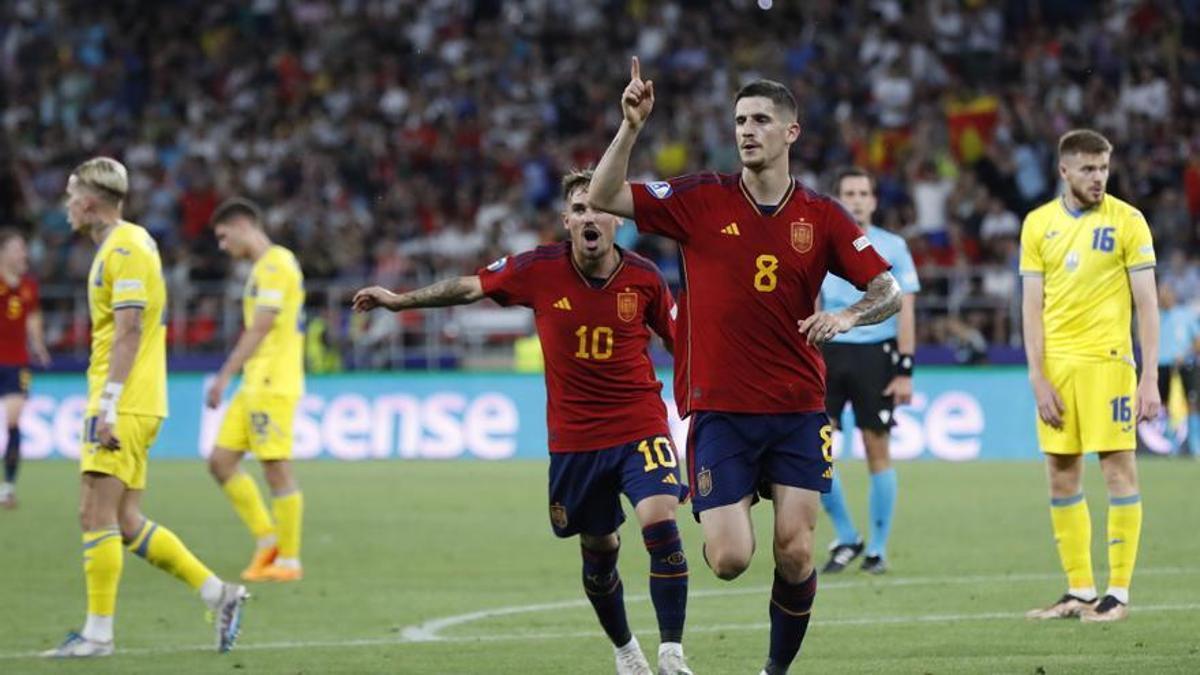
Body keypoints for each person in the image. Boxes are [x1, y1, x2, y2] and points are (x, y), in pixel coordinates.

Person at [588, 59, 900, 674]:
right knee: (730, 559)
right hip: (720, 411)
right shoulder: (698, 199)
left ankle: (774, 672)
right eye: (739, 120)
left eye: (760, 119)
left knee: (797, 550)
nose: (746, 130)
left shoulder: (823, 216)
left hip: (796, 410)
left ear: (791, 132)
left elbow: (887, 289)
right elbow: (602, 197)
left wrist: (848, 317)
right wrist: (630, 128)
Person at [353, 169, 692, 675]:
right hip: (576, 440)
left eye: (600, 207)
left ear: (618, 218)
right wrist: (402, 300)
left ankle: (672, 654)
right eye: (579, 210)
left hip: (640, 424)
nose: (590, 217)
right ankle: (627, 652)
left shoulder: (644, 278)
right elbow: (470, 287)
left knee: (659, 519)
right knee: (599, 551)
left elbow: (684, 340)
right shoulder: (537, 268)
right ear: (567, 221)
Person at [44, 157, 247, 658]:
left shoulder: (126, 247)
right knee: (127, 520)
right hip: (132, 399)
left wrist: (107, 404)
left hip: (125, 402)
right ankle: (219, 594)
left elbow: (130, 329)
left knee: (95, 512)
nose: (67, 205)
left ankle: (97, 635)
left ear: (90, 201)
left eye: (72, 195)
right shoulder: (123, 245)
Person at [1020, 129, 1159, 623]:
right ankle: (1080, 589)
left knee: (1118, 471)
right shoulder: (1038, 225)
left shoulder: (1128, 221)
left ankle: (1117, 594)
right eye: (1087, 169)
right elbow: (1031, 308)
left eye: (1103, 168)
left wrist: (1149, 377)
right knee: (1061, 476)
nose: (1098, 178)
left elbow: (1147, 304)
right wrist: (1037, 375)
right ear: (1064, 170)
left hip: (1109, 363)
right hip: (1057, 368)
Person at [817, 168, 920, 575]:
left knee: (878, 451)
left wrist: (906, 368)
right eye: (849, 193)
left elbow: (906, 308)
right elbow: (812, 300)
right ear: (839, 198)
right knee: (815, 452)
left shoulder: (894, 246)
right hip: (829, 351)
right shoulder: (824, 243)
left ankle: (876, 548)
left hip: (876, 355)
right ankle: (846, 535)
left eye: (863, 192)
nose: (857, 199)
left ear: (874, 200)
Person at [205, 197, 306, 583]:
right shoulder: (262, 267)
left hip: (272, 382)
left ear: (243, 225)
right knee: (221, 462)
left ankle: (290, 560)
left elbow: (262, 326)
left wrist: (223, 375)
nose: (222, 244)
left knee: (276, 469)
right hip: (255, 382)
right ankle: (268, 542)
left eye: (223, 235)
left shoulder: (277, 263)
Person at [0, 229, 51, 508]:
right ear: (3, 252)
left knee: (13, 422)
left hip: (16, 362)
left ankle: (7, 487)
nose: (24, 254)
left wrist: (39, 345)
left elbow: (32, 317)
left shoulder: (30, 286)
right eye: (19, 248)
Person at [1155, 285, 1198, 451]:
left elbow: (1197, 342)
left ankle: (1195, 443)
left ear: (1173, 295)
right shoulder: (1156, 316)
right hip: (1162, 365)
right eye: (1160, 294)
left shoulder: (1186, 314)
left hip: (1185, 365)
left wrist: (1185, 354)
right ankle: (1171, 441)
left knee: (1192, 401)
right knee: (1164, 403)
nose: (1162, 297)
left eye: (1165, 294)